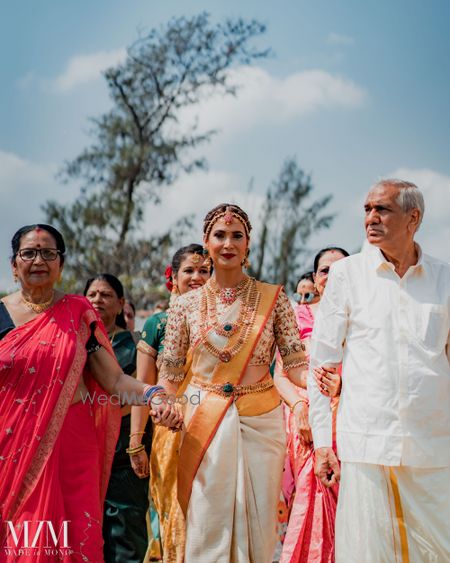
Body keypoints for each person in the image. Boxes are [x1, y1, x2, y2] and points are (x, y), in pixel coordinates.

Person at [0, 224, 181, 562]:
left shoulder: (78, 316)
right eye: (29, 253)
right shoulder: (0, 315)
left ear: (61, 264)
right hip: (10, 452)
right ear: (13, 265)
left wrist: (153, 393)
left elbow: (115, 382)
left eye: (48, 253)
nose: (38, 260)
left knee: (70, 544)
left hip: (71, 449)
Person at [157, 204, 309, 562]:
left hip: (261, 419)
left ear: (248, 243)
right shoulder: (185, 305)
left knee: (259, 522)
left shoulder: (275, 299)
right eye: (220, 235)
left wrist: (325, 382)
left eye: (236, 235)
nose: (228, 243)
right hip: (203, 418)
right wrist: (162, 402)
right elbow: (171, 374)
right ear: (206, 243)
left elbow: (296, 363)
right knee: (207, 519)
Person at [309, 180, 450, 562]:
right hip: (368, 441)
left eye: (382, 209)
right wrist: (323, 442)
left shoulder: (445, 279)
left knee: (439, 550)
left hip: (433, 445)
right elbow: (321, 363)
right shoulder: (347, 275)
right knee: (369, 552)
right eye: (367, 209)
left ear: (413, 218)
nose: (370, 218)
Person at [131, 244, 210, 562]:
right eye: (188, 271)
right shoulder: (157, 325)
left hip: (217, 427)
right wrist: (136, 441)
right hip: (170, 431)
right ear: (173, 278)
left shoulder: (227, 325)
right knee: (173, 510)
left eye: (204, 270)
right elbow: (143, 388)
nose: (197, 277)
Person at [277, 248, 348, 563]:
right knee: (309, 495)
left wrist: (345, 388)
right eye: (324, 270)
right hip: (305, 421)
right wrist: (299, 408)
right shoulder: (297, 316)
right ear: (315, 278)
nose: (330, 276)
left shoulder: (360, 318)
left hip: (350, 416)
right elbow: (280, 374)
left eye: (339, 269)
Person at [84, 274, 151, 563]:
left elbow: (131, 394)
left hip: (124, 455)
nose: (98, 300)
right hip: (84, 454)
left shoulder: (133, 345)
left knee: (125, 536)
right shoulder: (76, 343)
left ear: (121, 303)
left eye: (106, 295)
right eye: (92, 294)